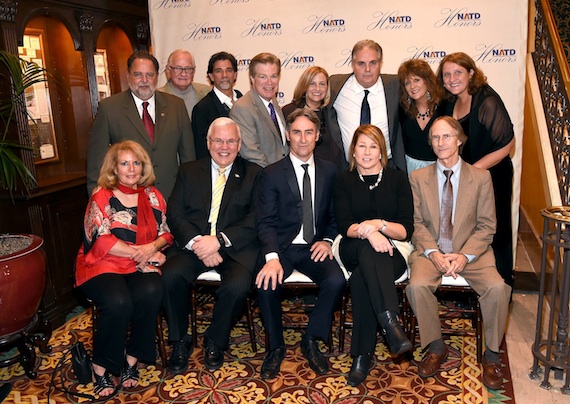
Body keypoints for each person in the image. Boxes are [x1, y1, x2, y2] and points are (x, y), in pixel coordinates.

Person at [406, 116, 511, 390]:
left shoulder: (481, 177)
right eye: (436, 138)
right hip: (432, 252)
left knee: (499, 288)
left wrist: (464, 256)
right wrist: (433, 253)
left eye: (447, 136)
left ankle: (490, 355)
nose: (441, 143)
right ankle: (436, 345)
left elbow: (488, 225)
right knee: (416, 286)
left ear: (459, 139)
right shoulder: (418, 178)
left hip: (472, 253)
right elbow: (416, 223)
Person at [162, 117, 262, 374]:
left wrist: (218, 241)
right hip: (194, 245)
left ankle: (215, 339)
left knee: (239, 285)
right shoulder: (188, 171)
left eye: (230, 141)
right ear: (208, 143)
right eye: (218, 140)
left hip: (234, 247)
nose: (224, 146)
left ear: (239, 145)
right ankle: (179, 340)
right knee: (171, 275)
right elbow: (174, 213)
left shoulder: (254, 174)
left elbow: (255, 219)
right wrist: (199, 244)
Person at [76, 140, 174, 397]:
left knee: (152, 290)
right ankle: (101, 365)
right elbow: (99, 238)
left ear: (143, 167)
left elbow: (166, 233)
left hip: (138, 264)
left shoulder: (153, 195)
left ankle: (132, 358)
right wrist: (142, 253)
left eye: (136, 163)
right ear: (114, 168)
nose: (131, 169)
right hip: (102, 264)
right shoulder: (102, 196)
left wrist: (152, 248)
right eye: (124, 163)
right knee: (119, 301)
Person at [255, 109, 345, 379]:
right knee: (266, 282)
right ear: (287, 135)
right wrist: (271, 257)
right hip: (281, 247)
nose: (303, 139)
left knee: (336, 280)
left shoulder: (331, 171)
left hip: (313, 246)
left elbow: (334, 215)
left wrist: (328, 240)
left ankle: (311, 339)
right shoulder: (271, 174)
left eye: (309, 132)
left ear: (317, 136)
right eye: (297, 132)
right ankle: (276, 347)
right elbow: (265, 222)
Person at [334, 124, 413, 387]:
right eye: (361, 146)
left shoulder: (398, 179)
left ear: (382, 152)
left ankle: (361, 355)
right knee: (369, 251)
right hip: (352, 244)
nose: (367, 152)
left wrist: (379, 225)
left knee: (362, 277)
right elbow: (345, 225)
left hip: (393, 249)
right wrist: (370, 234)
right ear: (353, 151)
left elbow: (405, 229)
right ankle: (391, 323)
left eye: (373, 146)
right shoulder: (343, 180)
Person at [437, 52, 515, 287]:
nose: (452, 79)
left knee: (495, 231)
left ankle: (501, 286)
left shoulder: (487, 100)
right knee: (466, 230)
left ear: (471, 73)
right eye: (447, 74)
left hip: (492, 176)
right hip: (464, 176)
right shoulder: (449, 100)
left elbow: (507, 144)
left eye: (458, 72)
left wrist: (474, 170)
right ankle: (468, 285)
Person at [87, 50, 194, 200]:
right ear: (128, 76)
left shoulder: (176, 106)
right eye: (137, 74)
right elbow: (96, 164)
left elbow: (188, 158)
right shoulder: (109, 109)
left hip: (172, 198)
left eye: (149, 75)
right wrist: (98, 201)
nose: (144, 80)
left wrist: (190, 197)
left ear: (157, 76)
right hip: (128, 202)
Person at [325, 39, 405, 172]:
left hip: (387, 167)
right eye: (361, 63)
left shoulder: (396, 85)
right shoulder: (334, 85)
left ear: (380, 63)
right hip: (348, 169)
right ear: (352, 64)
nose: (367, 69)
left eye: (373, 63)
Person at [230, 52, 288, 167]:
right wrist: (274, 178)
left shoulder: (273, 101)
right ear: (252, 79)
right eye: (263, 76)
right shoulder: (242, 108)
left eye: (273, 76)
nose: (269, 82)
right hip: (263, 179)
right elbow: (251, 154)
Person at [282, 66, 343, 169]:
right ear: (304, 86)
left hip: (329, 173)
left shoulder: (331, 113)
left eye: (322, 84)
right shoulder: (289, 111)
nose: (317, 89)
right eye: (312, 84)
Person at [192, 52, 243, 159]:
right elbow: (202, 150)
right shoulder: (202, 109)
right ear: (211, 76)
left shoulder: (243, 99)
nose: (224, 75)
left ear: (235, 74)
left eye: (229, 70)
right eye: (218, 71)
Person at [397, 59, 443, 173]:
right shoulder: (402, 110)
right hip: (410, 171)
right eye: (407, 83)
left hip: (439, 169)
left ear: (427, 81)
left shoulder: (444, 107)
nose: (412, 86)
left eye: (416, 80)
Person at [159, 49, 211, 122]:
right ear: (168, 70)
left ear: (194, 71)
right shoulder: (158, 97)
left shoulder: (207, 93)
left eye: (188, 68)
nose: (183, 74)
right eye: (178, 68)